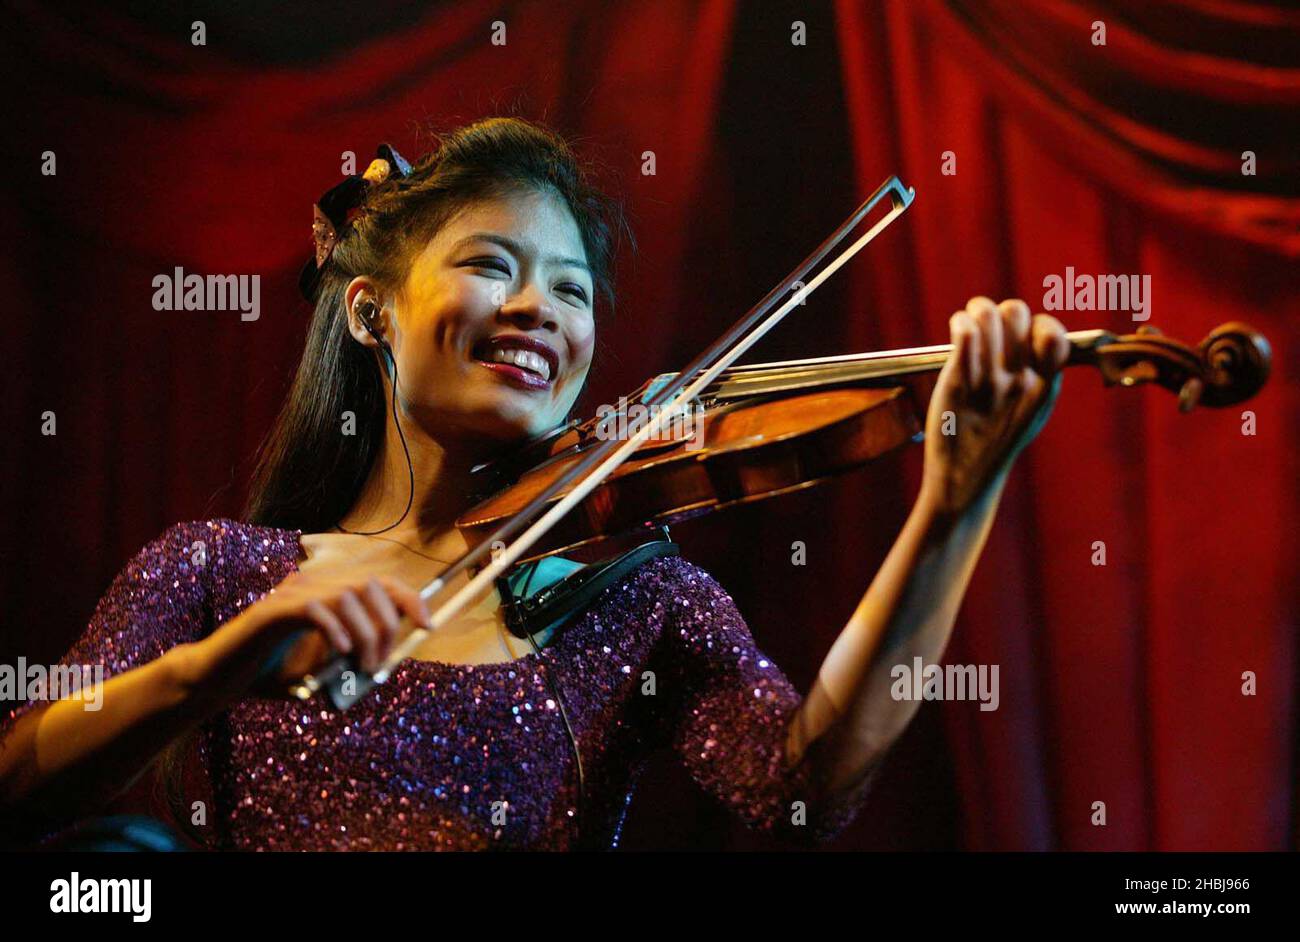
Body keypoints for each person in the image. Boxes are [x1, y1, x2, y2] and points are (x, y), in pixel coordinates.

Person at [0, 117, 1069, 850]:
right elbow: (19, 782)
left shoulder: (637, 600)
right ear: (372, 312)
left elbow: (802, 784)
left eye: (571, 288)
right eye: (490, 266)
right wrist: (212, 671)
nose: (540, 310)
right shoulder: (221, 571)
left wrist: (954, 499)